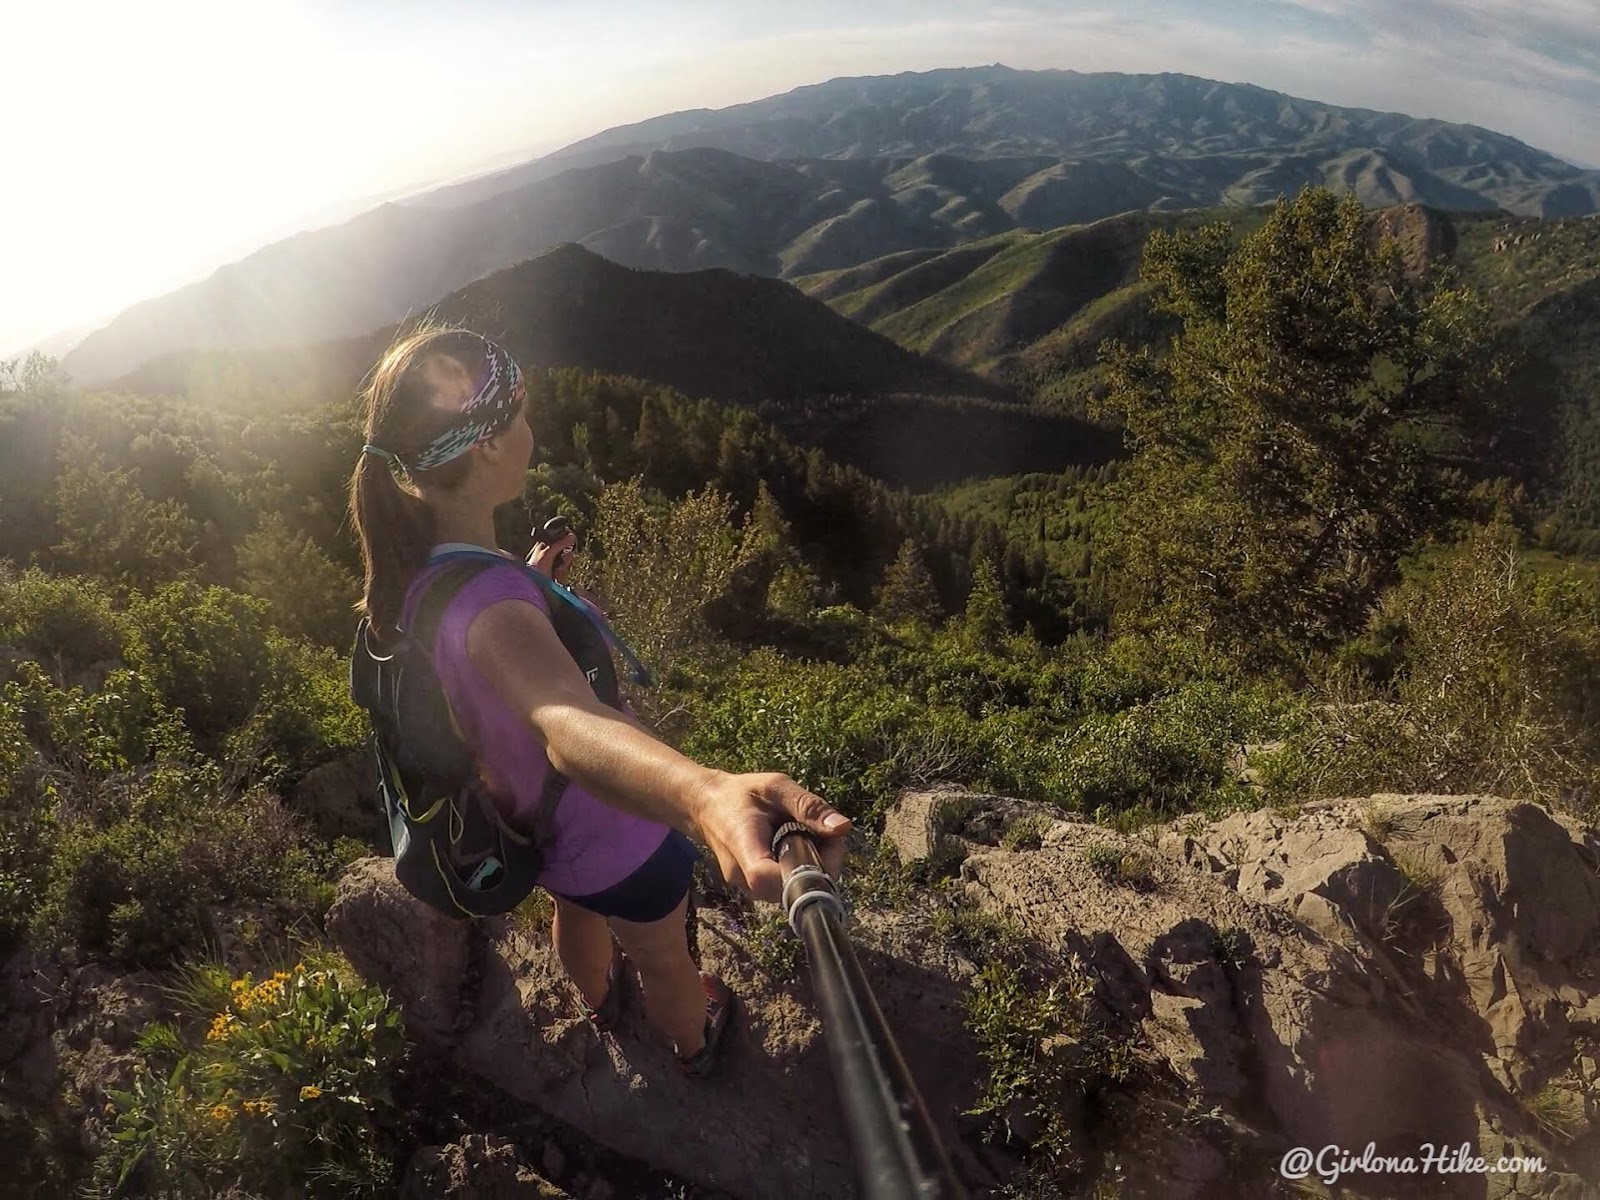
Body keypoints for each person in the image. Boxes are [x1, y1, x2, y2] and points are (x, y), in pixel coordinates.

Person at [348, 323, 852, 1077]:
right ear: (486, 446)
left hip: (532, 826)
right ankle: (693, 1042)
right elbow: (567, 720)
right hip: (615, 830)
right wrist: (706, 795)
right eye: (517, 415)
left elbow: (492, 653)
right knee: (668, 962)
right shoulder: (494, 606)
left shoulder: (427, 578)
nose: (530, 429)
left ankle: (600, 1003)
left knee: (573, 909)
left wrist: (527, 578)